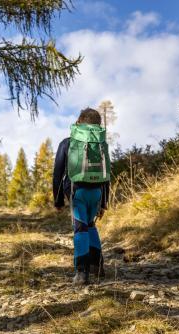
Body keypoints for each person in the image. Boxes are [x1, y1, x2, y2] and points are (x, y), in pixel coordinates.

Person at [53, 108, 110, 285]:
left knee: (80, 228)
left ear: (79, 121)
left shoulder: (67, 143)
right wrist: (104, 203)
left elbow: (57, 173)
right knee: (90, 225)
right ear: (97, 125)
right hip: (97, 193)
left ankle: (81, 272)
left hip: (77, 192)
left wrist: (58, 200)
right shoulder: (101, 145)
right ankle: (98, 265)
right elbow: (107, 174)